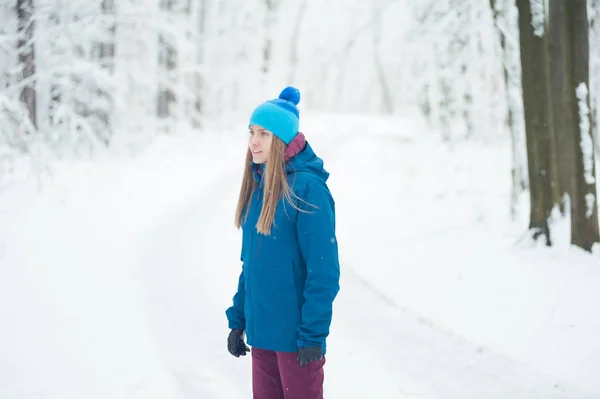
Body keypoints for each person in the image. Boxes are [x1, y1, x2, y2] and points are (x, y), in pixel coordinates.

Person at [225, 86, 340, 399]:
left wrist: (313, 334)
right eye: (251, 132)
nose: (253, 142)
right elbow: (252, 264)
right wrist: (238, 318)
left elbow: (324, 272)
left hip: (296, 340)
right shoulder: (259, 186)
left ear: (282, 138)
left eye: (263, 133)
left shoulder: (308, 189)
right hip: (262, 333)